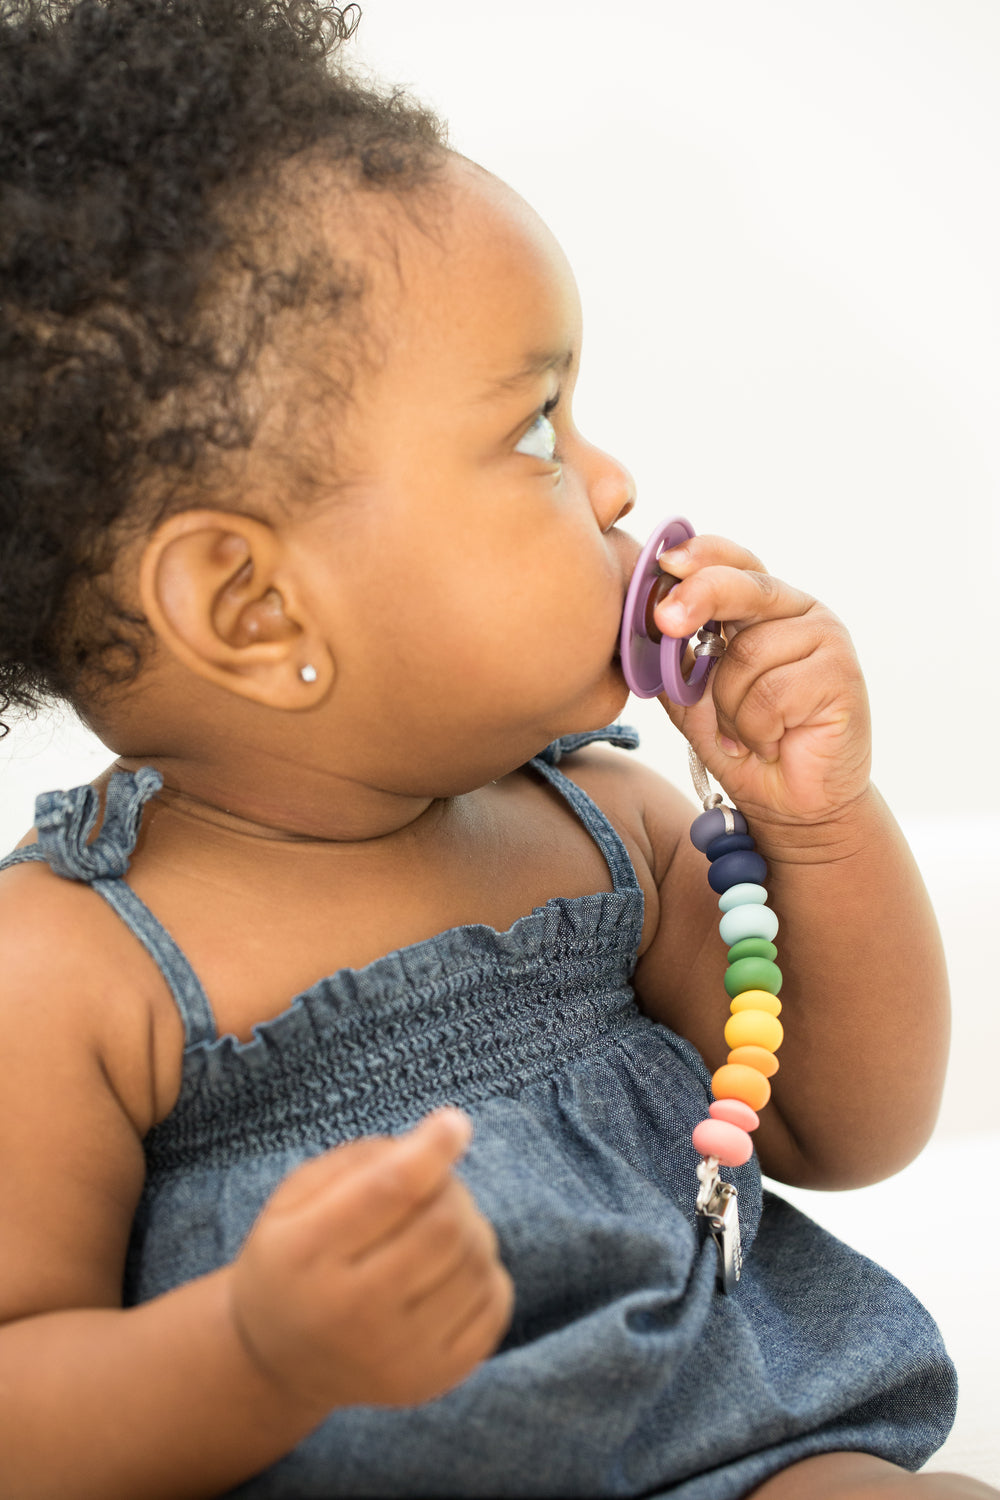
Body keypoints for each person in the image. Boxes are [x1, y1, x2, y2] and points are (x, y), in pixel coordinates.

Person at [0, 3, 992, 1497]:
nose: (613, 480)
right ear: (255, 609)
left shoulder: (611, 831)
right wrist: (253, 1357)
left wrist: (821, 822)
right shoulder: (69, 975)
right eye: (538, 431)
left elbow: (843, 1123)